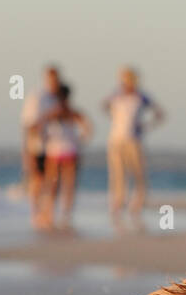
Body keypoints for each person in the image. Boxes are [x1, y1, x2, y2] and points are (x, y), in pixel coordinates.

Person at [102, 67, 165, 228]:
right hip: (116, 140)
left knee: (138, 173)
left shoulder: (142, 97)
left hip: (134, 140)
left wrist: (146, 126)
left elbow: (160, 113)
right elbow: (104, 105)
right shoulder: (116, 95)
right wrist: (114, 118)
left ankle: (137, 203)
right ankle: (118, 203)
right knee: (118, 174)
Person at [37, 84, 92, 231]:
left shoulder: (58, 113)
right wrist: (80, 139)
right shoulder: (67, 113)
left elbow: (39, 128)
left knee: (57, 185)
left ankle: (55, 215)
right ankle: (59, 215)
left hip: (59, 152)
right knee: (63, 186)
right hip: (64, 151)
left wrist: (45, 139)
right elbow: (88, 128)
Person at [21, 65, 62, 230]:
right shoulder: (38, 97)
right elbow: (28, 124)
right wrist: (27, 150)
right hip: (37, 146)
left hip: (55, 146)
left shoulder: (57, 98)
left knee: (52, 180)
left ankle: (48, 213)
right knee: (37, 180)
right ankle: (36, 213)